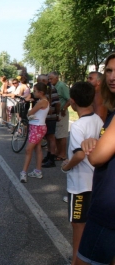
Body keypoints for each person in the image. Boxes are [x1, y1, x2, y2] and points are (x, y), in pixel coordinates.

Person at [78, 53, 115, 265]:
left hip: (108, 208)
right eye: (109, 70)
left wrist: (94, 147)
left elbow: (97, 158)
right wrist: (95, 140)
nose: (112, 76)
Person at [60, 82, 103, 265]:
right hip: (95, 181)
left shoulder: (78, 126)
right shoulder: (98, 120)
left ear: (72, 101)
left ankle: (76, 261)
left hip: (79, 185)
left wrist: (66, 166)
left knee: (78, 226)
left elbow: (78, 154)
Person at [20, 82, 49, 183]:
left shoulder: (42, 102)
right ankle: (38, 170)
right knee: (38, 149)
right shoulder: (42, 100)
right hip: (37, 126)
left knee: (28, 150)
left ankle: (24, 172)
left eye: (35, 91)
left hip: (37, 127)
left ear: (40, 92)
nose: (34, 93)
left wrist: (30, 110)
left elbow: (30, 112)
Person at [49, 71, 71, 162]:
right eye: (49, 79)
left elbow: (69, 99)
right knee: (57, 134)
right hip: (56, 113)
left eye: (51, 79)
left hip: (62, 113)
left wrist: (63, 109)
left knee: (62, 134)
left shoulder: (61, 86)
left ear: (57, 78)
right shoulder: (53, 86)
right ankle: (58, 152)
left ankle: (63, 154)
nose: (50, 80)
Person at [42, 77, 61, 168]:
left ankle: (52, 158)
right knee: (48, 137)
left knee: (51, 137)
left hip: (50, 116)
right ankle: (49, 155)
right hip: (44, 117)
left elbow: (57, 103)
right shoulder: (44, 89)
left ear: (44, 81)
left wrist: (57, 114)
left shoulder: (51, 89)